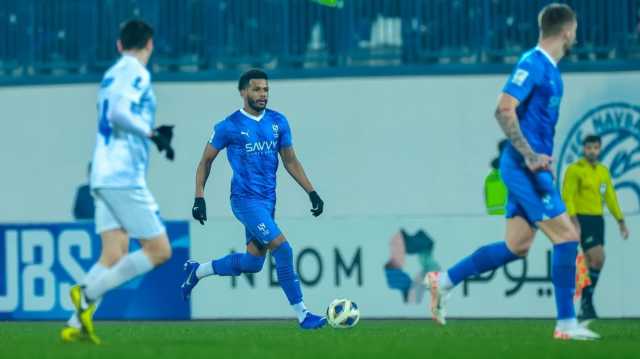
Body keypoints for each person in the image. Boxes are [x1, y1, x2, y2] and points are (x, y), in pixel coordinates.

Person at [425, 3, 601, 340]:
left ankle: (443, 280)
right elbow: (503, 109)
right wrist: (531, 155)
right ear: (566, 31)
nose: (575, 35)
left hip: (530, 165)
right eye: (574, 30)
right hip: (525, 166)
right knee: (567, 236)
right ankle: (566, 324)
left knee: (517, 246)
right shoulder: (532, 64)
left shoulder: (551, 70)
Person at [182, 69, 327, 329]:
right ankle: (303, 314)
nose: (263, 94)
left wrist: (312, 192)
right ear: (243, 92)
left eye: (266, 90)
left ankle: (198, 271)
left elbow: (290, 161)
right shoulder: (229, 126)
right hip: (244, 201)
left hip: (268, 201)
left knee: (253, 263)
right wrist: (199, 197)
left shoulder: (278, 122)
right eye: (257, 89)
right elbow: (205, 162)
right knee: (283, 249)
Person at [60, 19, 176, 344]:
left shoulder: (112, 73)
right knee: (159, 250)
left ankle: (76, 324)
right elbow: (118, 113)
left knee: (114, 252)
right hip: (122, 175)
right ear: (149, 45)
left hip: (102, 172)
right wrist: (151, 133)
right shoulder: (135, 71)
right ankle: (86, 293)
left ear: (119, 44)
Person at [562, 134, 630, 321]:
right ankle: (587, 302)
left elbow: (610, 197)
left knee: (593, 262)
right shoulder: (575, 170)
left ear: (600, 149)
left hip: (597, 220)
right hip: (581, 219)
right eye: (589, 148)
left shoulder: (602, 171)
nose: (592, 151)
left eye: (596, 148)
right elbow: (568, 196)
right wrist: (574, 221)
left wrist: (620, 220)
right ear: (584, 149)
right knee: (599, 257)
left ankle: (586, 303)